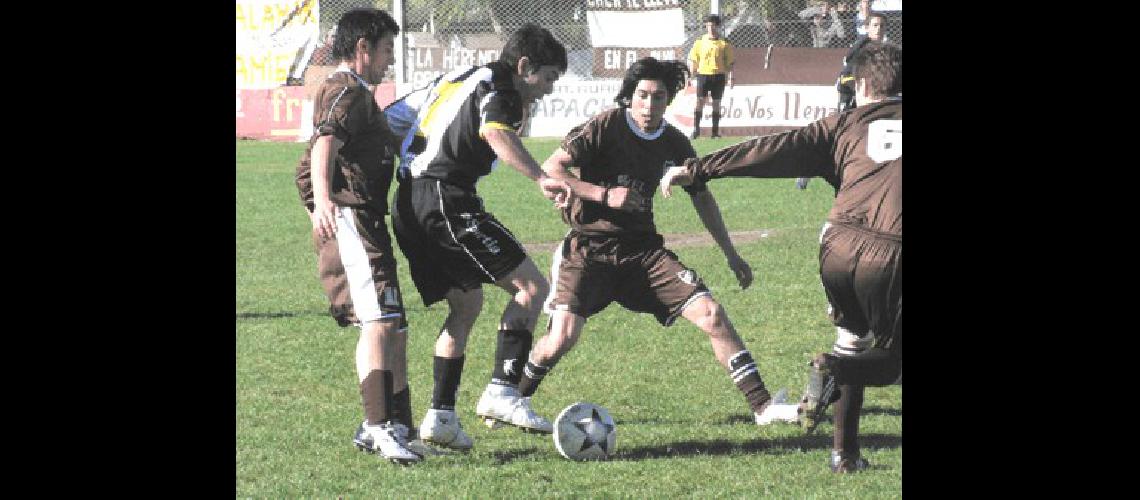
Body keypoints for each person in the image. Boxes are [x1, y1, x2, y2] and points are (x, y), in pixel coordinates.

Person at [660, 41, 901, 473]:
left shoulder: (840, 125)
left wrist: (697, 169)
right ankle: (833, 372)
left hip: (835, 247)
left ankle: (843, 456)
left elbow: (770, 149)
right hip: (892, 250)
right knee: (886, 364)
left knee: (852, 342)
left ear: (863, 85)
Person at [512, 56, 782, 430]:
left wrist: (731, 253)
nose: (649, 106)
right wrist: (605, 196)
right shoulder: (605, 125)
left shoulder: (673, 142)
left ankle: (763, 407)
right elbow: (553, 167)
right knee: (561, 338)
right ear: (630, 95)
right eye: (642, 96)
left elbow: (701, 196)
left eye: (658, 97)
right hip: (589, 250)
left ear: (668, 100)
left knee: (712, 315)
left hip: (644, 254)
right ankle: (515, 401)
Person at [385, 23, 571, 451]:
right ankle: (502, 392)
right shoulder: (503, 91)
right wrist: (541, 177)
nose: (546, 90)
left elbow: (393, 118)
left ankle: (441, 416)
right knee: (531, 288)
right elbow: (493, 132)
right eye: (546, 79)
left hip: (410, 202)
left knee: (466, 304)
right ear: (523, 66)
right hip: (445, 199)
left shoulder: (460, 77)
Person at [293, 8, 420, 464]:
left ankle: (399, 424)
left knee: (395, 326)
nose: (389, 59)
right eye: (386, 49)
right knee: (379, 323)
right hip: (353, 222)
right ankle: (376, 426)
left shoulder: (359, 92)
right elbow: (325, 143)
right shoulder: (344, 88)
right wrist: (325, 204)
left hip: (368, 222)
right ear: (364, 48)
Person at [795, 9, 883, 190]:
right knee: (839, 138)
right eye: (875, 25)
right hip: (852, 96)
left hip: (868, 98)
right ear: (867, 28)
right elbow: (846, 77)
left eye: (882, 26)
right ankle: (807, 169)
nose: (879, 29)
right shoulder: (862, 48)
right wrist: (859, 94)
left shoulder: (882, 49)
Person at [687, 14, 735, 139]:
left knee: (716, 103)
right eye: (708, 25)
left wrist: (730, 77)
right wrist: (690, 77)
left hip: (718, 76)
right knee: (699, 102)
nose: (710, 28)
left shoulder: (724, 43)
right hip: (703, 75)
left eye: (713, 25)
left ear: (717, 26)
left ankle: (715, 132)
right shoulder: (699, 42)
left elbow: (729, 63)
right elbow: (694, 60)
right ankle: (696, 130)